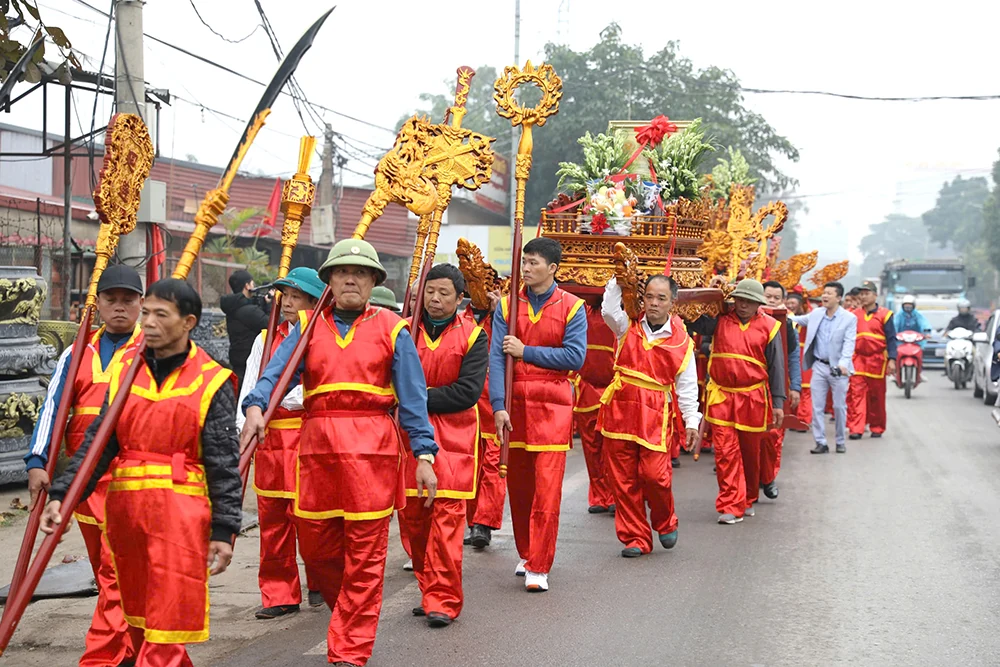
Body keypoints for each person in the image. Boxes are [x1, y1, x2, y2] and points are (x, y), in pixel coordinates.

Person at [241, 239, 438, 667]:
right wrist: (255, 405)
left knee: (366, 557)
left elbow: (413, 397)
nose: (352, 278)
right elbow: (274, 375)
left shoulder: (392, 328)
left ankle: (349, 649)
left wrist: (424, 455)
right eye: (343, 272)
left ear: (372, 282)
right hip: (317, 454)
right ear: (329, 281)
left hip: (373, 456)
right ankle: (346, 613)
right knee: (318, 553)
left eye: (362, 273)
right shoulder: (308, 327)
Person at [42, 278, 242, 667]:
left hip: (181, 519)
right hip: (127, 517)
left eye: (160, 314)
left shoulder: (211, 380)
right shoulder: (124, 374)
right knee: (138, 618)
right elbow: (97, 447)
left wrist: (224, 529)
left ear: (188, 323)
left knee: (166, 625)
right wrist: (63, 495)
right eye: (145, 312)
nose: (147, 322)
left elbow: (223, 462)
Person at [25, 264, 144, 667]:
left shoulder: (154, 349)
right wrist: (39, 460)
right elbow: (53, 409)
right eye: (111, 300)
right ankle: (137, 645)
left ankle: (104, 656)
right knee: (108, 568)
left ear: (141, 304)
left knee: (114, 570)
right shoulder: (77, 352)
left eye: (129, 300)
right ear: (98, 305)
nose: (120, 308)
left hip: (130, 475)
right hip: (83, 478)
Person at [489, 237, 586, 592]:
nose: (526, 269)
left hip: (553, 406)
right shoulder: (506, 306)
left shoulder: (573, 307)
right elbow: (498, 359)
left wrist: (526, 351)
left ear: (553, 269)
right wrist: (498, 405)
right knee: (519, 487)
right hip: (515, 406)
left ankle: (540, 566)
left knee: (546, 491)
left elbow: (574, 357)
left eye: (533, 263)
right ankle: (527, 551)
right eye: (524, 262)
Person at [399, 264, 488, 628]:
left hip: (455, 438)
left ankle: (444, 599)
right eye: (429, 292)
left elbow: (466, 393)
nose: (435, 299)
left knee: (448, 521)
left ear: (459, 298)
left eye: (444, 294)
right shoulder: (402, 331)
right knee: (415, 521)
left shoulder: (473, 336)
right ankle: (428, 587)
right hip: (408, 438)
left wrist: (413, 396)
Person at [237, 267, 325, 619]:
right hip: (272, 438)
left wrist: (282, 397)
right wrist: (245, 425)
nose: (288, 302)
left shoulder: (322, 336)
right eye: (284, 295)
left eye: (297, 297)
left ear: (314, 301)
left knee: (313, 519)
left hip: (308, 436)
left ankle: (320, 579)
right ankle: (279, 594)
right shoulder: (266, 336)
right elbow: (252, 383)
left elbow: (314, 389)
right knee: (272, 518)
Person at [600, 274, 699, 556]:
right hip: (619, 411)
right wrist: (620, 278)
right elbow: (608, 309)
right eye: (649, 297)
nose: (653, 303)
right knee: (623, 479)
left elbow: (688, 386)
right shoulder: (626, 325)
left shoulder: (682, 342)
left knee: (656, 477)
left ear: (672, 302)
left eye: (661, 298)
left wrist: (691, 420)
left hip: (655, 415)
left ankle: (665, 520)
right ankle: (635, 538)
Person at [703, 279, 785, 524]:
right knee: (725, 453)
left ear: (758, 304)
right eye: (739, 300)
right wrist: (710, 293)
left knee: (750, 453)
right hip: (722, 395)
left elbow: (776, 367)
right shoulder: (718, 319)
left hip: (753, 397)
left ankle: (748, 497)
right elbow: (691, 320)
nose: (743, 305)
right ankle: (730, 504)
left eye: (749, 302)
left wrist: (778, 402)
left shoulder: (770, 326)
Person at [789, 281, 857, 454]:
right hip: (819, 365)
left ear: (839, 298)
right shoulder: (816, 314)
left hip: (838, 368)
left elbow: (849, 343)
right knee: (817, 406)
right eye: (824, 292)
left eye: (829, 293)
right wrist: (775, 312)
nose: (825, 296)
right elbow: (795, 320)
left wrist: (843, 364)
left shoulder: (849, 318)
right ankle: (820, 442)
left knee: (839, 406)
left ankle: (840, 441)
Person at [463, 290, 506, 549]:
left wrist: (499, 313)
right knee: (470, 468)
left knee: (493, 469)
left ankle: (483, 524)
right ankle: (472, 522)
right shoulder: (461, 320)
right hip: (467, 408)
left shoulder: (502, 317)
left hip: (496, 406)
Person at [571, 296, 617, 514]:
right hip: (588, 389)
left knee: (615, 449)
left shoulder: (620, 313)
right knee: (592, 448)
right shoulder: (579, 310)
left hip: (615, 389)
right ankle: (599, 495)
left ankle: (617, 494)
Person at [760, 281, 802, 500]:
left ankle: (768, 478)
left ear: (783, 301)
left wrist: (795, 386)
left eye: (777, 298)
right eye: (768, 296)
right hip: (750, 387)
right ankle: (747, 486)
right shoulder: (745, 318)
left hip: (776, 387)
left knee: (773, 435)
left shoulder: (787, 325)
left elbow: (793, 358)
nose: (772, 301)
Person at [847, 281, 897, 440]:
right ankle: (856, 428)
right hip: (858, 359)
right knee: (856, 395)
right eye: (861, 294)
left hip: (877, 360)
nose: (863, 296)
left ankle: (877, 426)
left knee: (877, 396)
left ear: (875, 295)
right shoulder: (853, 314)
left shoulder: (885, 314)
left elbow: (891, 339)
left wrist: (892, 359)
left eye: (867, 293)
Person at [221, 269, 269, 391]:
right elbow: (271, 324)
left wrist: (263, 302)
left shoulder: (234, 306)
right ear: (247, 286)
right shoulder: (248, 311)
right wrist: (270, 305)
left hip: (238, 359)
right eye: (252, 284)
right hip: (249, 363)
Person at [785, 291, 812, 431]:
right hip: (792, 354)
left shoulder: (807, 319)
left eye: (793, 303)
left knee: (805, 389)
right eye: (788, 303)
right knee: (791, 386)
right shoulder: (786, 317)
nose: (790, 306)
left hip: (805, 354)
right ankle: (793, 418)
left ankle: (803, 420)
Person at [893, 295, 931, 380]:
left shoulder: (917, 315)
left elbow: (924, 323)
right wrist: (893, 333)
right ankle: (895, 374)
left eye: (910, 305)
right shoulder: (899, 315)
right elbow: (895, 324)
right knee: (894, 354)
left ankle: (919, 373)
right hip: (901, 340)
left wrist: (926, 331)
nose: (908, 307)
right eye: (906, 305)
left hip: (915, 340)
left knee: (920, 354)